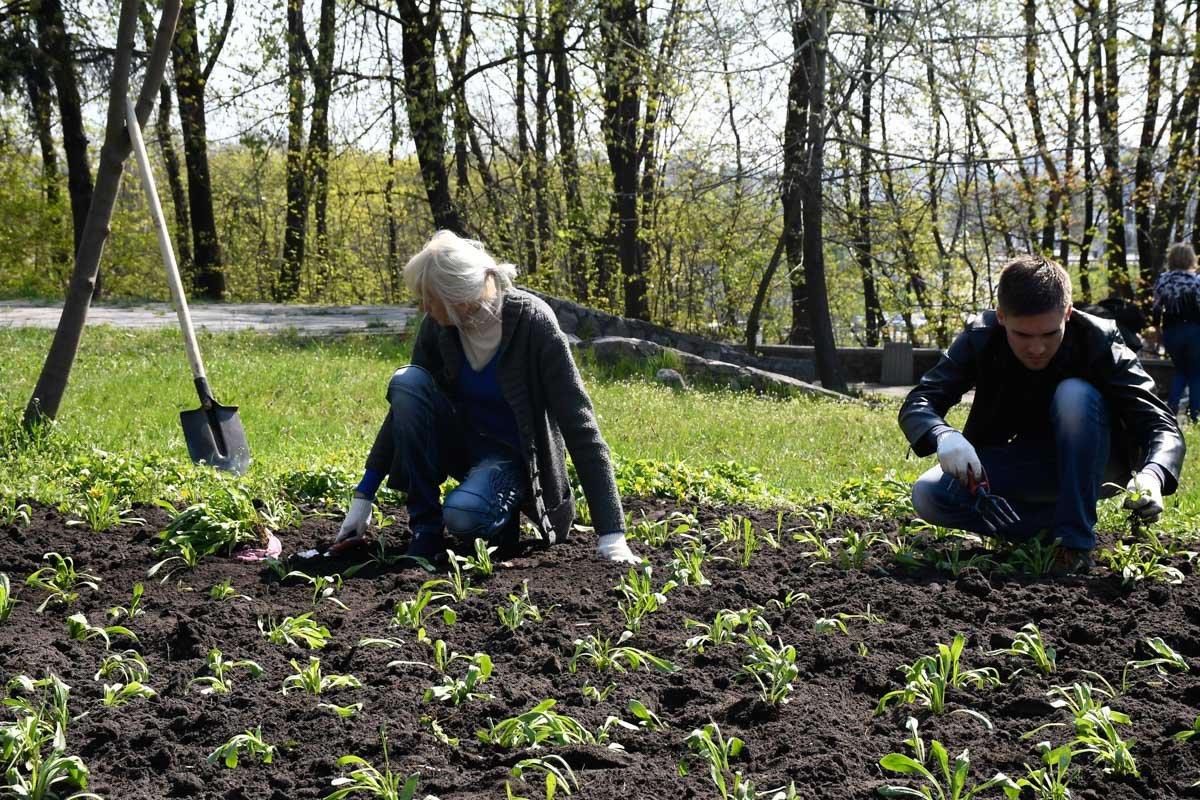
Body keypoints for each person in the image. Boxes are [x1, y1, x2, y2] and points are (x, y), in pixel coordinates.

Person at [334, 230, 639, 564]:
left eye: (429, 297)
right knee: (407, 382)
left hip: (512, 458)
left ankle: (493, 515)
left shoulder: (533, 324)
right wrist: (364, 496)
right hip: (461, 446)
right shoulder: (437, 328)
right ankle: (425, 532)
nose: (423, 306)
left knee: (464, 516)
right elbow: (404, 410)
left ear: (458, 297)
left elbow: (580, 425)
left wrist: (613, 536)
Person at [898, 255, 1185, 575]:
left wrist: (1153, 474)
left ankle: (1074, 544)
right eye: (1023, 335)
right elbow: (921, 401)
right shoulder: (981, 336)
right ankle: (1048, 531)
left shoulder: (1099, 339)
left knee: (1075, 394)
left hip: (1095, 463)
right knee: (929, 494)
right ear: (1002, 317)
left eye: (1050, 334)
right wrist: (943, 434)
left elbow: (1159, 422)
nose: (1037, 348)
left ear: (1068, 313)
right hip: (1026, 462)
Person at [1151, 243, 1200, 422]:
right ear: (1190, 258)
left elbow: (1156, 308)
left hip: (1172, 331)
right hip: (1195, 331)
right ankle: (1196, 416)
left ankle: (1171, 411)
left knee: (1180, 371)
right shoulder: (1196, 280)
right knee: (1196, 373)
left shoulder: (1163, 279)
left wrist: (1156, 329)